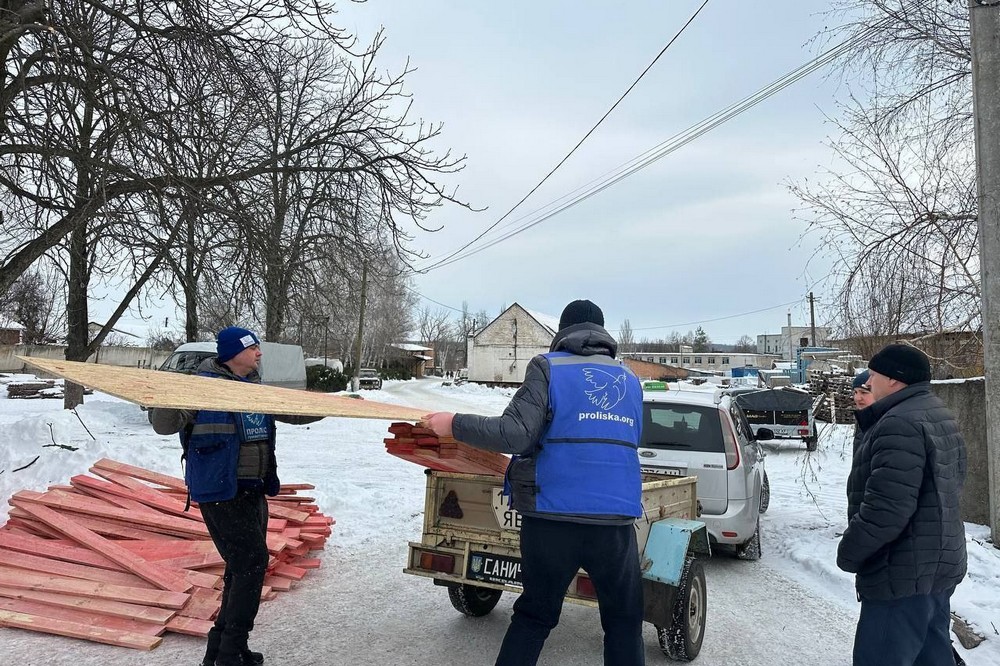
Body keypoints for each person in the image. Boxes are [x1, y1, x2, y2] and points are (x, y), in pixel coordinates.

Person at [423, 299, 645, 666]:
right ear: (603, 335)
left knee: (535, 616)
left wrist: (454, 423)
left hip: (552, 519)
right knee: (623, 622)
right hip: (615, 522)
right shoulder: (630, 380)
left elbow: (515, 435)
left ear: (563, 332)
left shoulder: (548, 367)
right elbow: (631, 439)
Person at [151, 327, 321, 666]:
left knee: (241, 567)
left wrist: (338, 405)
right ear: (233, 353)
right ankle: (229, 652)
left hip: (253, 490)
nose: (259, 353)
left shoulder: (254, 389)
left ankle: (223, 648)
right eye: (253, 348)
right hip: (220, 491)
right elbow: (164, 424)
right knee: (251, 563)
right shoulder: (201, 388)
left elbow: (297, 413)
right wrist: (167, 393)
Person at [837, 343, 967, 666]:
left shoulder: (898, 424)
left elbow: (887, 510)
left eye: (874, 375)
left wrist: (849, 552)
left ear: (895, 380)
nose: (869, 381)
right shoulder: (938, 414)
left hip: (899, 578)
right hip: (936, 573)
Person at [850, 370, 875, 453]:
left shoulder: (888, 424)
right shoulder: (864, 420)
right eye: (855, 392)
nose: (857, 398)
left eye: (864, 392)